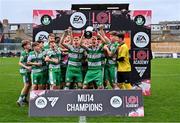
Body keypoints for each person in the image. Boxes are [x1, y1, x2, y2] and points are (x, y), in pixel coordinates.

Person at [17, 40, 32, 106]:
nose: (30, 45)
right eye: (28, 44)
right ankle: (19, 100)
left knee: (29, 84)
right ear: (25, 46)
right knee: (27, 84)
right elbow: (19, 62)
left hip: (28, 70)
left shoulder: (30, 51)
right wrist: (27, 67)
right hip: (25, 71)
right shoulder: (24, 53)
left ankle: (24, 98)